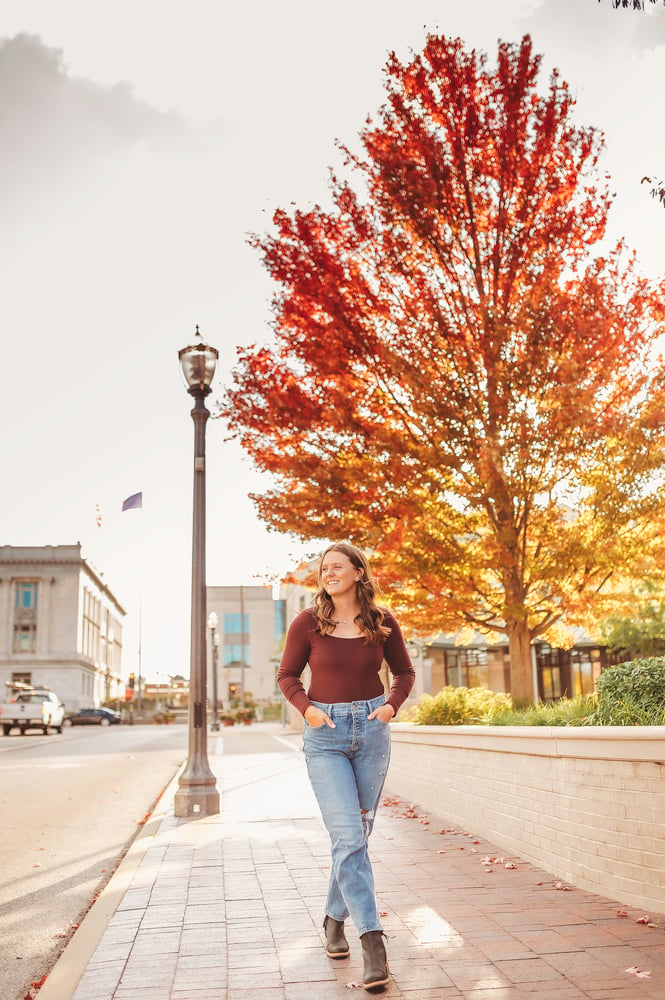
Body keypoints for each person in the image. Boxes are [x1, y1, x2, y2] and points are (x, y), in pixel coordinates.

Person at [278, 542, 415, 993]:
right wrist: (308, 710)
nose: (328, 573)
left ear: (358, 572)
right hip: (326, 736)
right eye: (324, 568)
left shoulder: (381, 621)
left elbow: (405, 673)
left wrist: (391, 708)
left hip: (372, 731)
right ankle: (373, 943)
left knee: (357, 835)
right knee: (349, 836)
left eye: (337, 567)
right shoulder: (307, 623)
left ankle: (333, 919)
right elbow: (287, 676)